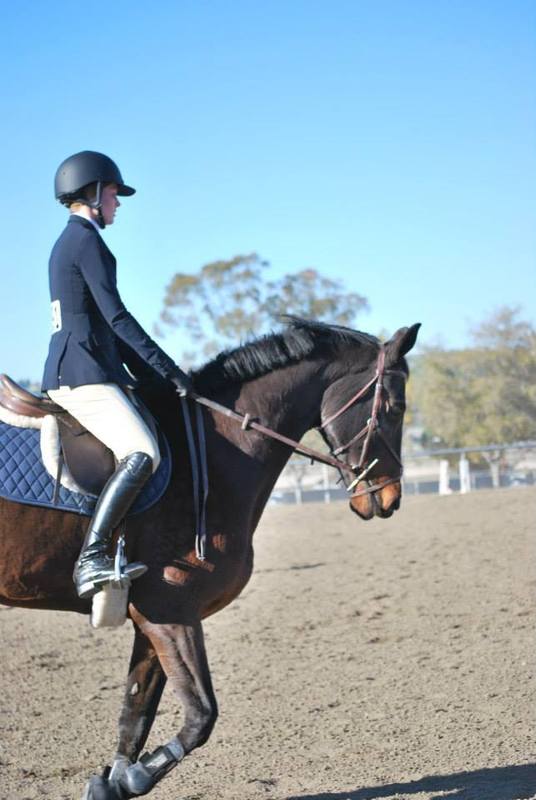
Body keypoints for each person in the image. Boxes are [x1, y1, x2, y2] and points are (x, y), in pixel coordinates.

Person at [42, 150, 192, 599]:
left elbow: (111, 328)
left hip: (87, 365)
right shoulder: (85, 241)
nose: (118, 204)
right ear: (92, 193)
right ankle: (93, 556)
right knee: (143, 450)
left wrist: (155, 375)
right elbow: (118, 320)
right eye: (113, 193)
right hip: (82, 374)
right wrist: (168, 370)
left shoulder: (72, 241)